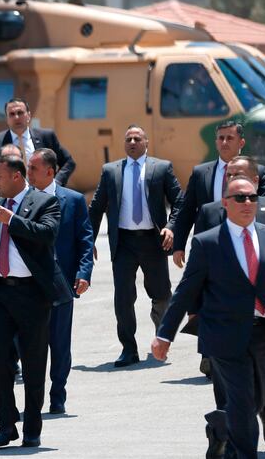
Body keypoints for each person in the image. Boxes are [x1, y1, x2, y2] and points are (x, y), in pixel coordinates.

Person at [152, 176, 265, 459]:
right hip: (224, 335)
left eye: (251, 197)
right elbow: (185, 292)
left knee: (258, 400)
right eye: (239, 198)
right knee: (242, 401)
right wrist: (164, 334)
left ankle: (220, 429)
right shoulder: (207, 243)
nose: (247, 203)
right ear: (225, 204)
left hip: (264, 333)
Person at [193, 156, 265, 454]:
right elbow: (199, 268)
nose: (231, 180)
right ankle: (226, 439)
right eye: (228, 175)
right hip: (225, 326)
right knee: (229, 392)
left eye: (238, 175)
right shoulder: (210, 213)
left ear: (255, 181)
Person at [0, 155, 72, 448]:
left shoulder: (44, 202)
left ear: (17, 177)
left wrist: (15, 221)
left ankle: (32, 428)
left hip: (32, 294)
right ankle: (6, 425)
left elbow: (48, 235)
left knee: (34, 363)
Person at [88, 125, 182, 367]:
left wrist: (171, 227)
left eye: (137, 138)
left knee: (161, 294)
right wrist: (88, 241)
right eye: (128, 138)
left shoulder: (161, 168)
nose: (132, 142)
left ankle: (162, 339)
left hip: (153, 240)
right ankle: (128, 349)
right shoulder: (111, 171)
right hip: (124, 242)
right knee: (123, 298)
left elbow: (179, 202)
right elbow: (97, 208)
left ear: (146, 142)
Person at [27, 148, 93, 414]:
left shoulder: (73, 200)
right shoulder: (24, 200)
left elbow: (85, 239)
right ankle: (34, 396)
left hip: (62, 282)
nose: (27, 173)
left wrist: (84, 272)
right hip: (28, 284)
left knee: (59, 342)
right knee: (30, 343)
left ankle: (58, 393)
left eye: (32, 168)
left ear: (50, 172)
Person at [173, 121, 265, 269]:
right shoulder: (200, 173)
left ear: (241, 143)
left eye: (230, 138)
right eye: (221, 138)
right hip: (209, 245)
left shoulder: (257, 171)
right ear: (216, 142)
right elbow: (187, 211)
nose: (224, 142)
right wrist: (178, 246)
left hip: (246, 243)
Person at [0, 98, 76, 185]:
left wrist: (57, 183)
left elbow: (68, 162)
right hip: (10, 198)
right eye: (12, 114)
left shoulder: (46, 137)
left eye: (20, 113)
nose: (17, 117)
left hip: (41, 195)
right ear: (7, 119)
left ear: (29, 115)